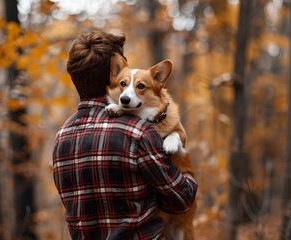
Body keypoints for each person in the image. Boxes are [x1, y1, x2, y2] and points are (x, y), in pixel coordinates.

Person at [52, 31, 197, 240]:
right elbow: (181, 200)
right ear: (113, 76)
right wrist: (188, 174)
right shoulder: (137, 133)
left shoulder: (61, 137)